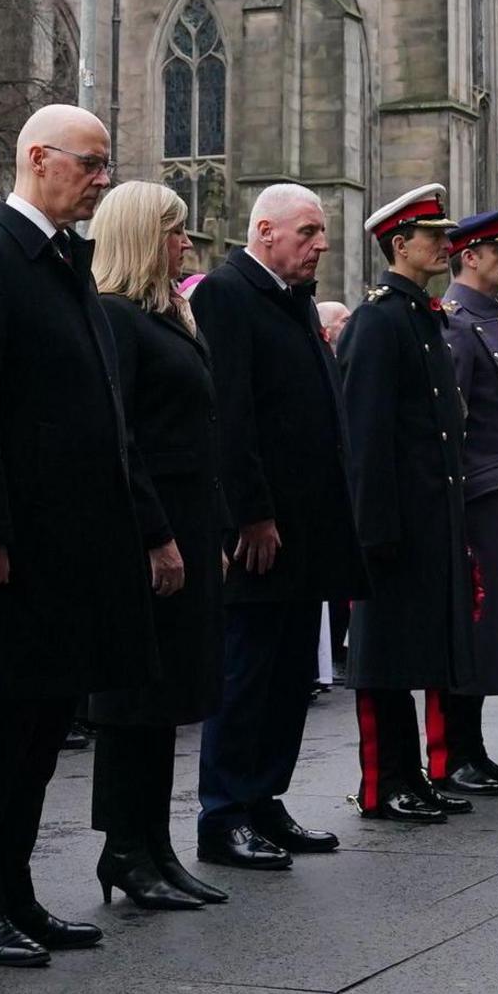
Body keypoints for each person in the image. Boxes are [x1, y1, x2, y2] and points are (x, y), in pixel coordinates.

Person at [0, 106, 167, 966]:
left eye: (106, 164)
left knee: (40, 733)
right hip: (17, 551)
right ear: (39, 158)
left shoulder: (67, 259)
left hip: (74, 547)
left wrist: (141, 526)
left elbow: (104, 410)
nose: (103, 179)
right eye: (91, 163)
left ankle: (16, 894)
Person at [187, 181, 354, 872]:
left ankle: (264, 798)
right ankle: (224, 811)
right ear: (264, 233)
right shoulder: (227, 295)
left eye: (320, 233)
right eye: (309, 232)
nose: (320, 245)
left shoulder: (290, 301)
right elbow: (230, 415)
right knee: (248, 670)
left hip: (305, 528)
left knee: (290, 676)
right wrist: (249, 514)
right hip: (264, 531)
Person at [79, 181, 229, 913]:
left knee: (168, 696)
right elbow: (122, 439)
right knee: (135, 699)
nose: (187, 244)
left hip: (188, 525)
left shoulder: (167, 316)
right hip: (147, 534)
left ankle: (154, 844)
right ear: (143, 237)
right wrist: (156, 535)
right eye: (173, 232)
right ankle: (125, 847)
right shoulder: (115, 318)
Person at [335, 185, 471, 825]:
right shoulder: (379, 320)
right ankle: (383, 780)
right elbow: (366, 435)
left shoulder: (422, 317)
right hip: (393, 522)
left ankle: (411, 772)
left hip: (429, 515)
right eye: (433, 237)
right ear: (399, 245)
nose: (444, 245)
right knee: (385, 658)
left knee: (418, 650)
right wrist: (374, 529)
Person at [421, 209, 498, 798]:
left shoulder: (494, 323)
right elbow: (452, 422)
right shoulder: (457, 324)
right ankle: (451, 754)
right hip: (480, 498)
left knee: (494, 630)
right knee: (469, 629)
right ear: (468, 257)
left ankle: (473, 748)